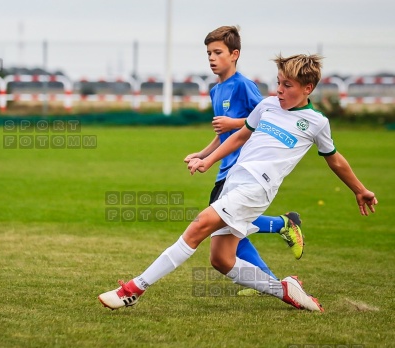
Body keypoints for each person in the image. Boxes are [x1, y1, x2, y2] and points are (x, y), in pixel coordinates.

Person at [99, 53, 378, 312]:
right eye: (279, 83)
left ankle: (133, 289)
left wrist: (360, 190)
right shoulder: (268, 105)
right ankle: (285, 290)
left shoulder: (316, 122)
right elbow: (240, 136)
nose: (279, 90)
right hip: (235, 181)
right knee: (221, 259)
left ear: (308, 88)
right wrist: (207, 160)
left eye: (287, 85)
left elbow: (335, 159)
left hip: (258, 187)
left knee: (198, 226)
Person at [184, 26, 304, 290]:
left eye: (218, 52)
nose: (212, 58)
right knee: (231, 230)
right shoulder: (216, 90)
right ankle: (270, 280)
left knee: (223, 223)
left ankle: (282, 226)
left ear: (234, 54)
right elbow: (223, 135)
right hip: (225, 166)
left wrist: (233, 121)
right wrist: (203, 155)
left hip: (244, 167)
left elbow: (263, 120)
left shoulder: (243, 85)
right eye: (208, 53)